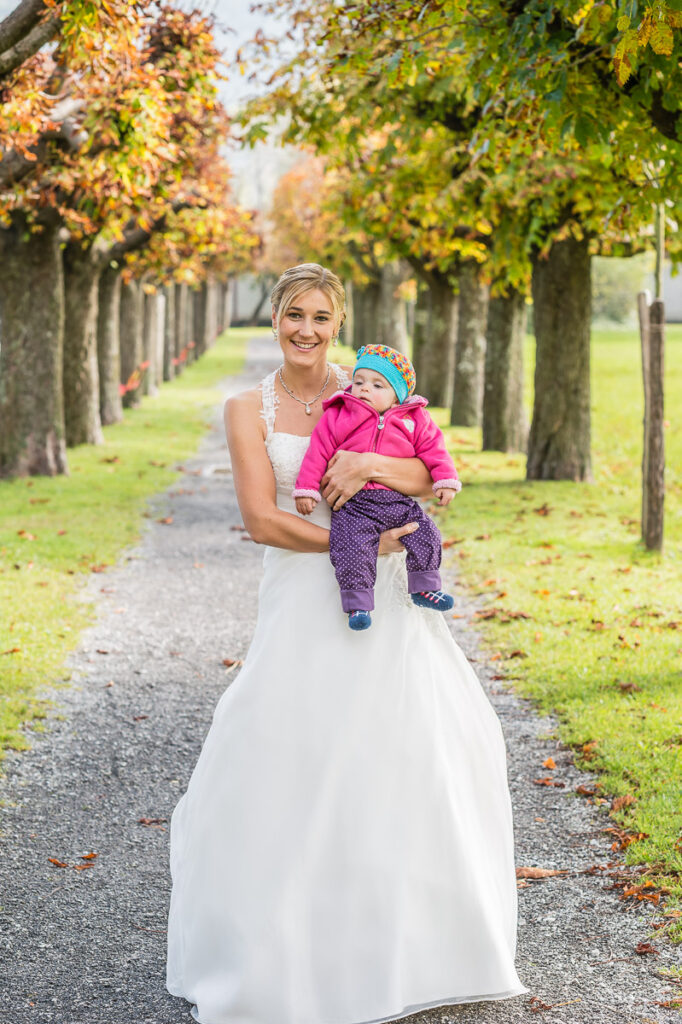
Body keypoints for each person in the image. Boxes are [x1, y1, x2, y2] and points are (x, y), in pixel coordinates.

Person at [166, 263, 527, 1024]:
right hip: (304, 597)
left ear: (339, 322)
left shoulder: (373, 388)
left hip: (392, 605)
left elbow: (429, 471)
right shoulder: (246, 409)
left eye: (321, 317)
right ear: (275, 319)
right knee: (292, 752)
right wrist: (365, 550)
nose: (307, 329)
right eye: (294, 314)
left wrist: (367, 464)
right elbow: (263, 520)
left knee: (406, 748)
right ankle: (283, 949)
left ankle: (404, 944)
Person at [293, 343, 461, 631]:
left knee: (428, 533)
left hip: (397, 501)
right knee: (351, 547)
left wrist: (445, 479)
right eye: (358, 382)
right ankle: (358, 604)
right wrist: (307, 488)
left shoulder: (414, 419)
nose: (364, 389)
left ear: (397, 396)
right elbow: (317, 452)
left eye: (377, 385)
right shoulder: (339, 414)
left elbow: (435, 450)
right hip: (355, 505)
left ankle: (424, 587)